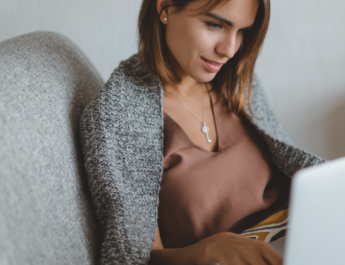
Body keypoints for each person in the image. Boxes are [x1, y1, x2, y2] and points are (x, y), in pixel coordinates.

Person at [80, 0, 325, 264]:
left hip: (312, 232)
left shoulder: (237, 80)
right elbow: (134, 256)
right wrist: (206, 251)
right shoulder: (119, 114)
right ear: (165, 8)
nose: (229, 49)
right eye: (215, 24)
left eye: (242, 31)